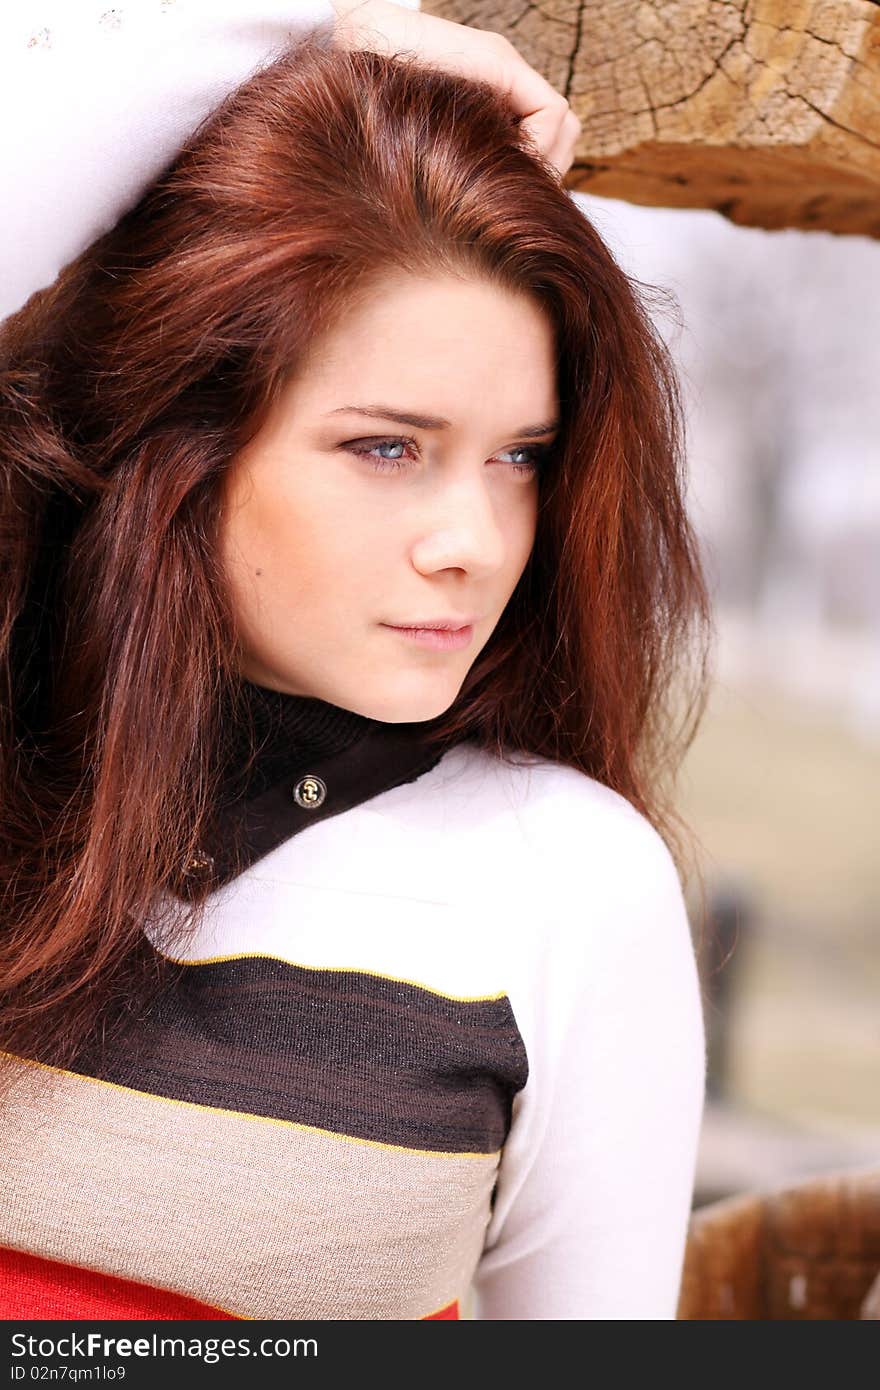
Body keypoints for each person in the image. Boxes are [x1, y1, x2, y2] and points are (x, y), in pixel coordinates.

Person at [0, 0, 712, 1321]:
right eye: (386, 447)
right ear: (181, 450)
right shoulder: (16, 734)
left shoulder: (567, 879)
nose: (475, 542)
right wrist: (304, 26)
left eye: (521, 456)